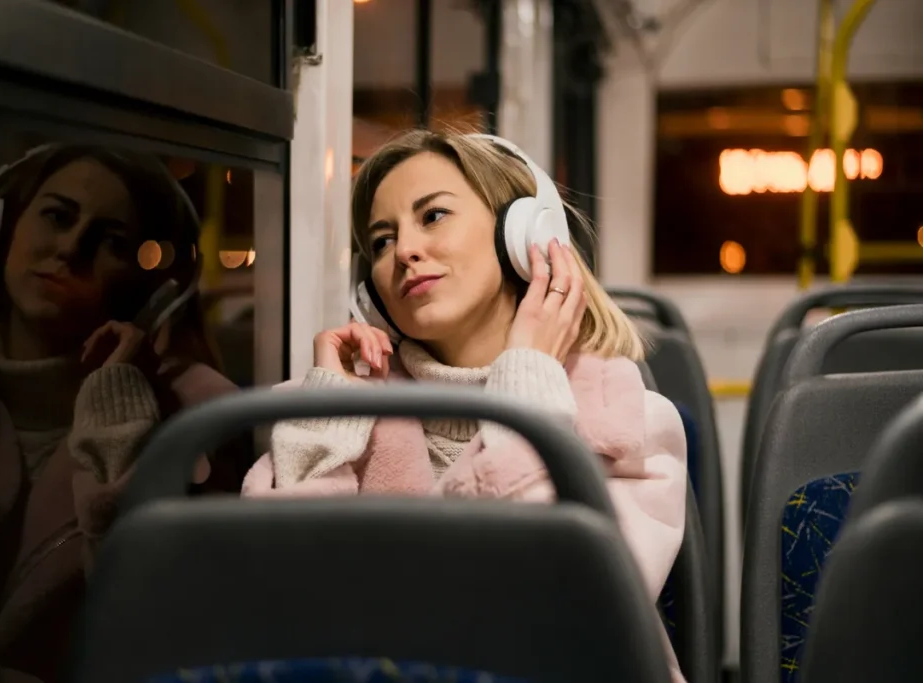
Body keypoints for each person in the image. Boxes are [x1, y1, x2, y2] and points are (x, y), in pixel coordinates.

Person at [242, 130, 689, 681]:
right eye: (381, 242)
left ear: (526, 234)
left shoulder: (629, 423)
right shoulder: (343, 412)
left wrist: (528, 385)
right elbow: (275, 602)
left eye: (432, 216)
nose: (403, 250)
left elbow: (545, 614)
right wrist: (327, 417)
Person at [0, 144, 243, 682]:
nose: (70, 248)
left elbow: (157, 620)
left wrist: (117, 411)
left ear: (150, 287)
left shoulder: (196, 411)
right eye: (57, 216)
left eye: (111, 241)